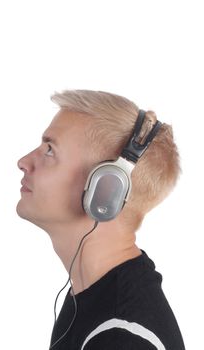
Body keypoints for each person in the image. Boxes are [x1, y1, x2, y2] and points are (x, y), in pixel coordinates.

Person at [16, 90, 186, 349]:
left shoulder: (120, 337)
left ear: (105, 190)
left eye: (50, 150)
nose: (24, 162)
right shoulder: (89, 296)